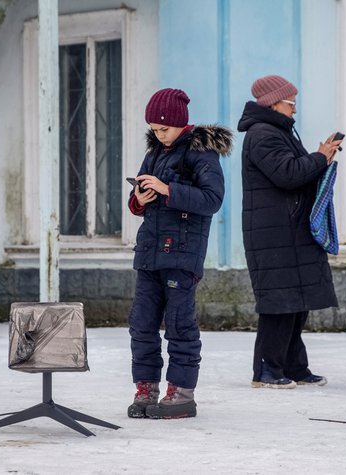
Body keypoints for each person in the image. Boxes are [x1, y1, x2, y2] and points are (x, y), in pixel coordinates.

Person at [126, 88, 233, 418]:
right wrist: (140, 199)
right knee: (141, 324)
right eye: (154, 130)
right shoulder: (156, 152)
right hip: (150, 252)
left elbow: (212, 200)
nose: (159, 136)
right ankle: (146, 388)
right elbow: (141, 201)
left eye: (164, 130)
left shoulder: (201, 154)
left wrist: (168, 190)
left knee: (179, 324)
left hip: (183, 253)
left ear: (180, 124)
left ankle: (181, 392)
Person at [237, 75, 342, 389]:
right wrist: (320, 156)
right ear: (273, 103)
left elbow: (294, 172)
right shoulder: (262, 135)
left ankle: (295, 367)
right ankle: (267, 370)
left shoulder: (278, 131)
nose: (295, 110)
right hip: (274, 234)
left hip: (288, 230)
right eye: (290, 103)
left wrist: (320, 159)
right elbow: (287, 174)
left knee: (296, 304)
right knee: (279, 305)